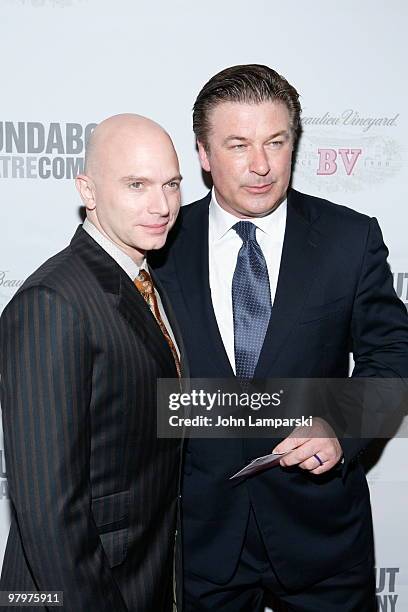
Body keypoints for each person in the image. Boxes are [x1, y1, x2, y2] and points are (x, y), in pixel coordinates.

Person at [151, 65, 408, 611]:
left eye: (276, 141)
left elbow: (394, 355)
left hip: (322, 539)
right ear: (202, 153)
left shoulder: (350, 238)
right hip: (198, 539)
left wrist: (340, 423)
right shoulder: (158, 246)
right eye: (238, 144)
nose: (262, 165)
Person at [0, 113, 185, 611]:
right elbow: (47, 511)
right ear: (88, 189)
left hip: (144, 576)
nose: (161, 205)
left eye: (171, 184)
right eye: (136, 184)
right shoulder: (53, 302)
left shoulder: (147, 276)